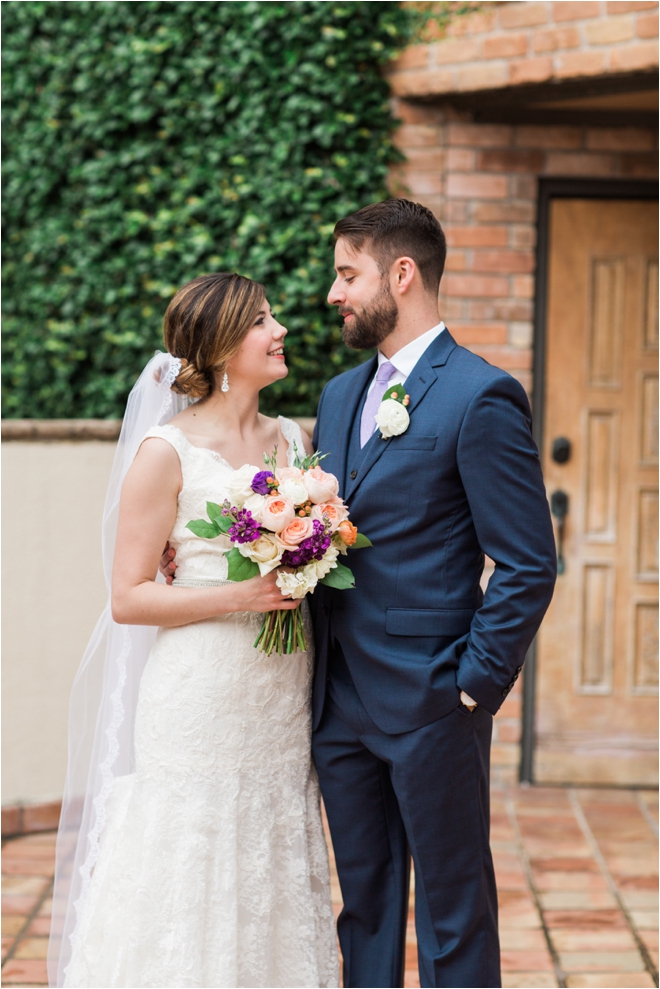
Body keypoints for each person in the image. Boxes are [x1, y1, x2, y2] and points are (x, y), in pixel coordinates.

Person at [49, 273, 339, 988]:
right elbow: (128, 596)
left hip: (278, 689)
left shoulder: (292, 438)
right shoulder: (164, 451)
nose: (280, 333)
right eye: (262, 323)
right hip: (199, 690)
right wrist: (243, 592)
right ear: (219, 346)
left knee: (269, 839)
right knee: (191, 846)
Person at [307, 199, 557, 988]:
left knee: (454, 914)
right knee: (367, 908)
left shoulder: (481, 396)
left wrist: (472, 687)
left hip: (433, 702)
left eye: (347, 272)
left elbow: (527, 563)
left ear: (402, 273)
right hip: (339, 701)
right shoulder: (341, 397)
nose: (333, 292)